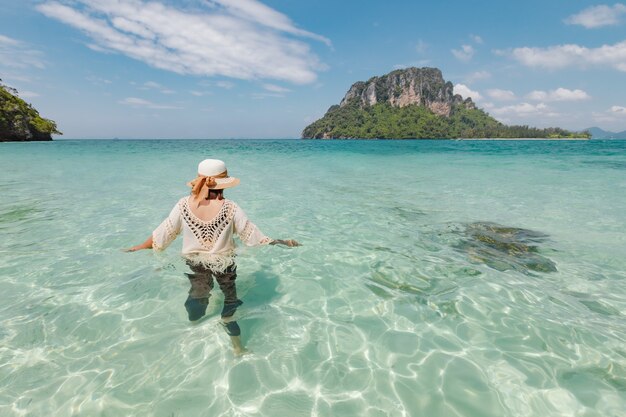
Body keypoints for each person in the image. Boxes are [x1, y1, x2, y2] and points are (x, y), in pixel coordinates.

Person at [126, 159, 299, 355]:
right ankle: (237, 347)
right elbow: (253, 237)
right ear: (223, 185)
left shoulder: (183, 205)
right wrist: (281, 241)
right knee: (230, 299)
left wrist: (139, 247)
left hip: (196, 262)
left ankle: (193, 323)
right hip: (224, 263)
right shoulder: (230, 207)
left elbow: (164, 234)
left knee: (198, 292)